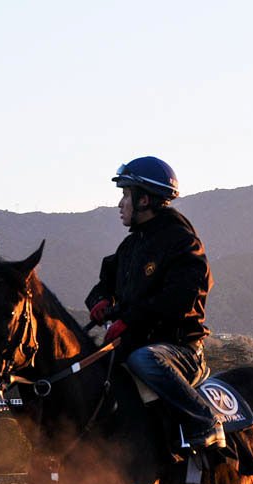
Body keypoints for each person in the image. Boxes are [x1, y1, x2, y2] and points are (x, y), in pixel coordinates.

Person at [85, 156, 224, 452]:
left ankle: (206, 420)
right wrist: (100, 300)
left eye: (126, 195)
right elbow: (104, 281)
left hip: (178, 350)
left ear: (144, 199)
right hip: (133, 342)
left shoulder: (183, 243)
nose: (120, 203)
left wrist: (130, 319)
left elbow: (179, 298)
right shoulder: (130, 245)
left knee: (143, 360)